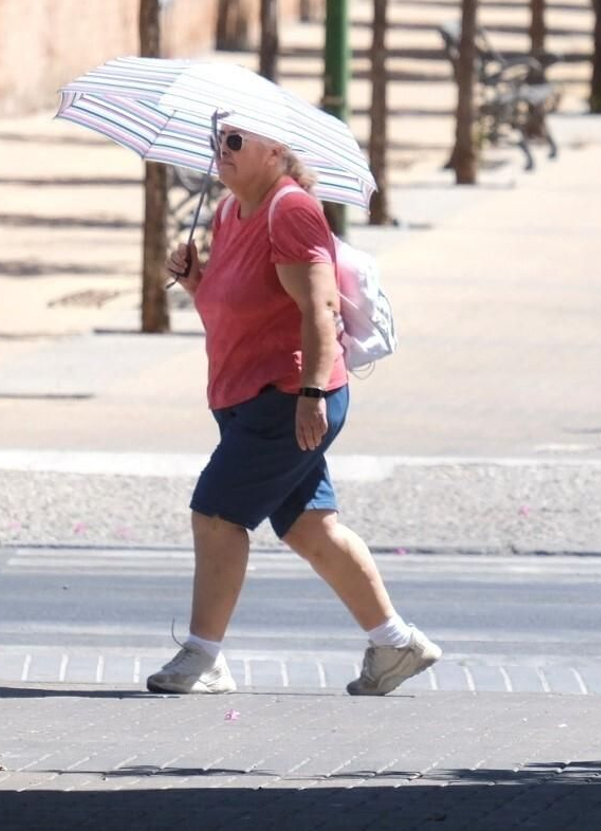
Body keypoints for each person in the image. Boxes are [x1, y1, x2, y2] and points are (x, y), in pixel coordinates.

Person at [150, 123, 441, 697]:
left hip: (287, 396)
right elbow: (232, 311)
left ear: (276, 150)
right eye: (218, 139)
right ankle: (395, 644)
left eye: (235, 141)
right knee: (311, 528)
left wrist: (310, 396)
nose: (220, 151)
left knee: (216, 515)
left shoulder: (292, 211)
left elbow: (318, 306)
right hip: (243, 393)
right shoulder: (231, 212)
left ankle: (203, 655)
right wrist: (196, 281)